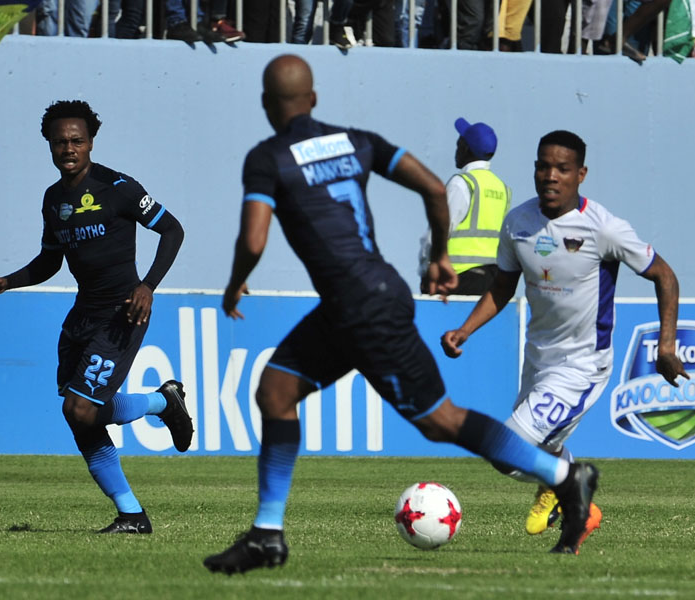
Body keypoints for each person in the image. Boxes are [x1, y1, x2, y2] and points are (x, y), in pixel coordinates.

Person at [202, 55, 600, 575]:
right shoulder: (356, 141)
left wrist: (234, 285)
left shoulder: (267, 157)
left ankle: (564, 477)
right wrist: (441, 254)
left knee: (442, 421)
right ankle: (267, 535)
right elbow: (435, 188)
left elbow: (254, 238)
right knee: (276, 391)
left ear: (264, 104)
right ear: (315, 99)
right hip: (355, 303)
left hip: (364, 309)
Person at [441, 130, 689, 541]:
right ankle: (568, 493)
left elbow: (664, 275)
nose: (550, 176)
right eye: (543, 166)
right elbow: (503, 286)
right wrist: (465, 330)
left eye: (562, 168)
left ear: (581, 175)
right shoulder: (518, 223)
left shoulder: (604, 228)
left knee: (505, 452)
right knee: (537, 445)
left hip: (583, 365)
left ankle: (567, 483)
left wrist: (666, 345)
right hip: (538, 359)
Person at [0, 100, 193, 534]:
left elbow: (173, 230)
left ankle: (159, 410)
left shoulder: (120, 188)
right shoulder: (54, 199)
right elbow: (49, 262)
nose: (68, 148)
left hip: (122, 314)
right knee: (79, 415)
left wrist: (147, 285)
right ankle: (133, 509)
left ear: (91, 142)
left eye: (76, 140)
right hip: (81, 319)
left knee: (80, 408)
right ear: (50, 146)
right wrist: (8, 282)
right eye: (60, 142)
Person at [419, 118, 510, 296]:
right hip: (492, 281)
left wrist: (426, 269)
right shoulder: (502, 188)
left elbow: (439, 231)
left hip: (458, 278)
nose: (456, 150)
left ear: (466, 148)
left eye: (459, 144)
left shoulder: (462, 184)